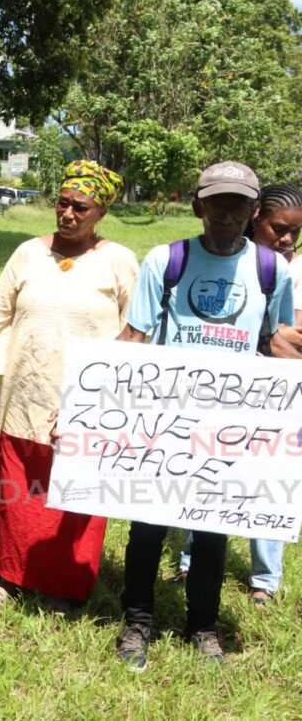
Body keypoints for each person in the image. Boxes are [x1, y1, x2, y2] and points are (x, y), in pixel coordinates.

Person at [115, 162, 294, 669]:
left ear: (253, 211)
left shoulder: (270, 270)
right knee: (148, 525)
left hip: (230, 426)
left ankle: (204, 626)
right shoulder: (166, 261)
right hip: (167, 419)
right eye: (217, 202)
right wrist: (87, 402)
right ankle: (138, 622)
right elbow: (135, 337)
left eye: (238, 204)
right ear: (198, 206)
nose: (226, 214)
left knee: (214, 529)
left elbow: (275, 344)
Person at [0, 160, 139, 611]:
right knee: (19, 491)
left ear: (100, 214)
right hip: (25, 393)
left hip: (87, 403)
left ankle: (65, 586)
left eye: (81, 206)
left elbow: (134, 331)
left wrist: (105, 397)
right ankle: (9, 578)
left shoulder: (118, 261)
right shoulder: (27, 254)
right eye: (62, 202)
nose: (68, 213)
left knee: (73, 495)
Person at [176, 183, 302, 607]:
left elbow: (285, 337)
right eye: (278, 229)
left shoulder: (286, 270)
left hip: (273, 399)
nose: (284, 240)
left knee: (266, 482)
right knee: (204, 472)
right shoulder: (227, 263)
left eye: (293, 234)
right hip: (216, 394)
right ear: (255, 218)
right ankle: (190, 559)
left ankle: (264, 579)